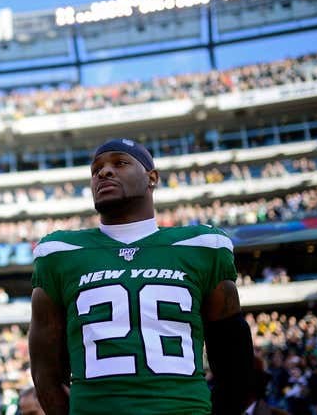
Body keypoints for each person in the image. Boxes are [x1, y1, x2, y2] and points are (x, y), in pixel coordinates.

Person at [29, 138, 254, 415]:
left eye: (120, 163)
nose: (104, 172)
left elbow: (234, 360)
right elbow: (44, 371)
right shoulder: (60, 252)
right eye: (96, 169)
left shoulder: (202, 246)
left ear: (152, 178)